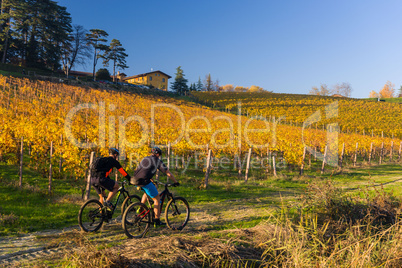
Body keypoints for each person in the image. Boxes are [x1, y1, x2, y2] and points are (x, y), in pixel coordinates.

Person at [131, 146, 179, 226]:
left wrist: (150, 179)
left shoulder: (145, 158)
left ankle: (141, 208)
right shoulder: (157, 161)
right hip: (144, 181)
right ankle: (157, 221)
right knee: (157, 199)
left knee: (146, 192)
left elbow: (144, 170)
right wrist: (175, 182)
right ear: (158, 154)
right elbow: (168, 173)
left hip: (135, 180)